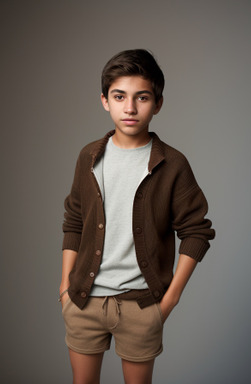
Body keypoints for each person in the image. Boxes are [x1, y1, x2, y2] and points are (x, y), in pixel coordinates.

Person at [59, 49, 215, 384]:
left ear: (158, 103)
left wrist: (168, 301)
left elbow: (197, 232)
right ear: (105, 101)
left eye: (141, 97)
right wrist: (64, 284)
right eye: (120, 96)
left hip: (143, 306)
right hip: (84, 300)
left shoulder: (173, 164)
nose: (130, 108)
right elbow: (74, 219)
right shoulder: (88, 156)